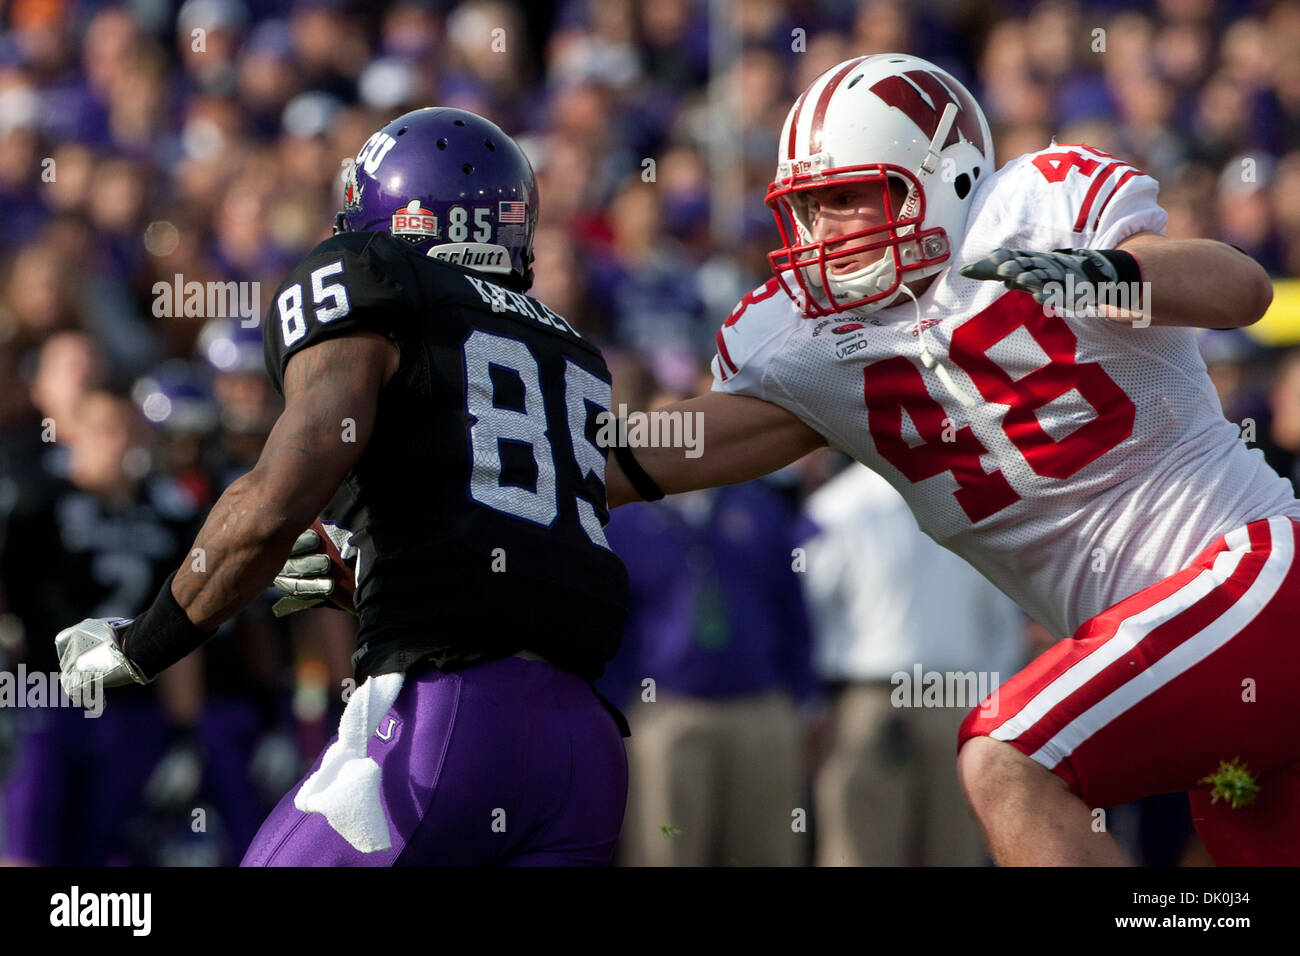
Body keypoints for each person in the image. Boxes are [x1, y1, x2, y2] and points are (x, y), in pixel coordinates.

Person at [604, 53, 1299, 866]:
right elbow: (659, 456)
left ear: (945, 177)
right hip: (1190, 661)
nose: (822, 232)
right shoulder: (806, 349)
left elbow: (1240, 289)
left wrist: (1101, 274)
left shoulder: (1032, 209)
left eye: (847, 197)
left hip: (1252, 575)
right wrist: (510, 461)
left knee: (1009, 758)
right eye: (809, 207)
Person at [54, 107, 631, 866]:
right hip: (585, 748)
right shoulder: (570, 349)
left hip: (447, 719)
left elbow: (273, 499)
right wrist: (374, 563)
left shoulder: (372, 281)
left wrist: (143, 645)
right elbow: (500, 517)